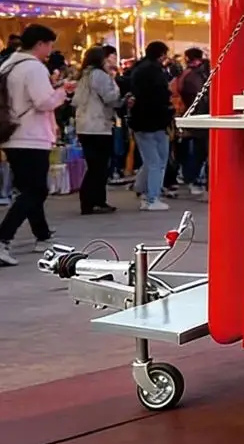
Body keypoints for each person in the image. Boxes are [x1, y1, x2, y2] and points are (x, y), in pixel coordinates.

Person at [0, 25, 70, 266]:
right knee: (36, 190)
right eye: (49, 45)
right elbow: (44, 102)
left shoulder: (8, 65)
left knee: (29, 189)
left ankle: (42, 235)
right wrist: (61, 92)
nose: (50, 50)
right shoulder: (34, 67)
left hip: (11, 134)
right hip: (31, 135)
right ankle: (3, 238)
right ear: (40, 44)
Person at [72, 45, 124, 215]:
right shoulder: (100, 75)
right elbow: (110, 97)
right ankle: (94, 201)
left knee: (94, 165)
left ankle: (90, 201)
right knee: (100, 167)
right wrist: (116, 85)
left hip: (84, 125)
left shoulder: (83, 76)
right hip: (98, 125)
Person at [127, 41, 173, 212]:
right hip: (156, 121)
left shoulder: (137, 69)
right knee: (158, 162)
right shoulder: (156, 72)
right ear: (161, 55)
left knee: (150, 160)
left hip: (140, 121)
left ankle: (142, 191)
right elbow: (162, 95)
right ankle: (152, 197)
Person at [177, 47, 210, 197]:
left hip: (194, 115)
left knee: (197, 151)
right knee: (200, 151)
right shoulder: (203, 72)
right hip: (202, 115)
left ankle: (193, 179)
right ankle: (197, 179)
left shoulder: (190, 74)